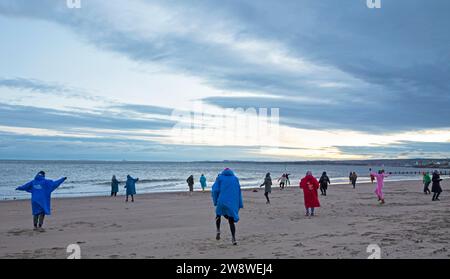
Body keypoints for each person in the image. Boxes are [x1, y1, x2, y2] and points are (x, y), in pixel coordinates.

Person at [211, 168, 243, 245]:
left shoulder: (220, 178)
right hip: (231, 202)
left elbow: (215, 190)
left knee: (218, 214)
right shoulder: (235, 179)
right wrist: (239, 204)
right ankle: (233, 238)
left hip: (221, 200)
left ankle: (218, 230)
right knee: (231, 220)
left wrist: (215, 202)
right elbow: (238, 191)